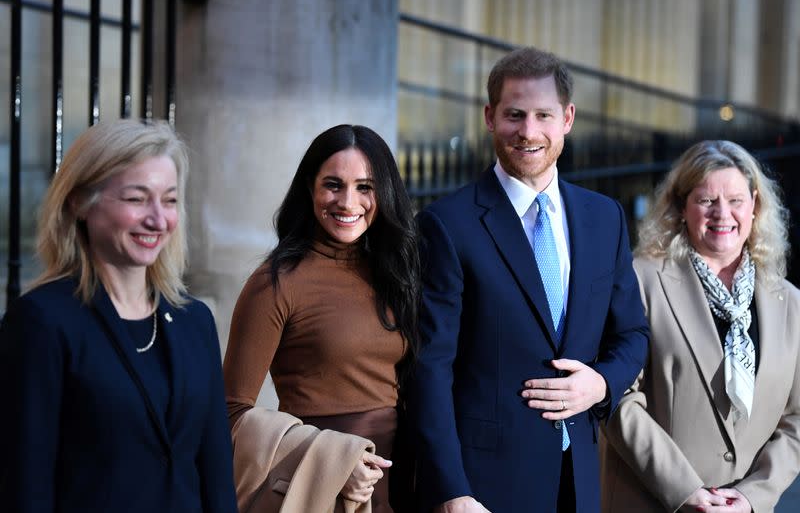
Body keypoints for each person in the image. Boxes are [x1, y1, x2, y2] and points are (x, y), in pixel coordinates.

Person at [406, 46, 650, 513]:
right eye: (514, 115)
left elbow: (633, 334)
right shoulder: (447, 224)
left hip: (577, 482)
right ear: (490, 117)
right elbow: (429, 368)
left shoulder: (605, 219)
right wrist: (452, 491)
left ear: (568, 118)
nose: (529, 131)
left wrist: (600, 384)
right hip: (482, 488)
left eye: (544, 115)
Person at [0, 119, 237, 512]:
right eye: (137, 198)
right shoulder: (41, 322)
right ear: (79, 203)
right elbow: (24, 485)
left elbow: (216, 476)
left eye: (170, 200)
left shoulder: (195, 321)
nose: (158, 219)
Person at [223, 124, 420, 512]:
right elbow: (229, 413)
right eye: (333, 185)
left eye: (365, 187)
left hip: (403, 483)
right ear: (309, 188)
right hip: (323, 489)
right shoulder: (275, 282)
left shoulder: (397, 272)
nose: (348, 202)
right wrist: (335, 459)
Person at [600, 140, 800, 513]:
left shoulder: (789, 303)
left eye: (736, 200)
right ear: (681, 207)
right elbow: (616, 397)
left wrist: (753, 496)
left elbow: (797, 419)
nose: (722, 213)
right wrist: (685, 490)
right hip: (652, 503)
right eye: (707, 200)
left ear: (755, 205)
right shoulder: (640, 281)